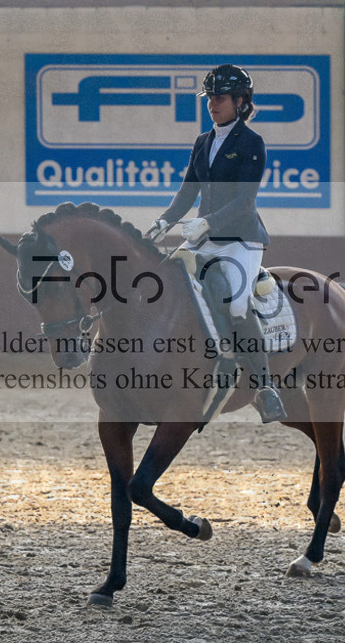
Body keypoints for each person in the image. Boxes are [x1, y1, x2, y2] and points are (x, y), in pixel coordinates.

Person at [149, 64, 287, 424]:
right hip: (204, 238)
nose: (212, 104)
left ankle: (266, 387)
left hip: (241, 240)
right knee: (168, 283)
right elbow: (188, 191)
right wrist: (163, 222)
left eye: (220, 98)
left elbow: (245, 199)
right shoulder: (203, 142)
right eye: (209, 98)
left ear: (240, 102)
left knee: (237, 304)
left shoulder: (252, 143)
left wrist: (208, 221)